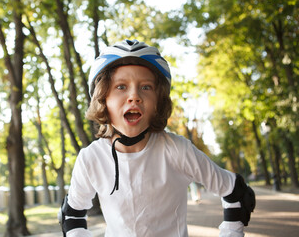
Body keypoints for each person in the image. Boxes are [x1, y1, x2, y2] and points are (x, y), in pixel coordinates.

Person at [59, 40, 255, 237]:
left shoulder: (177, 150)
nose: (134, 96)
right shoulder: (91, 159)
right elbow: (72, 216)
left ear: (158, 102)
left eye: (146, 87)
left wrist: (232, 232)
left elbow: (236, 193)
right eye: (121, 87)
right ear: (103, 99)